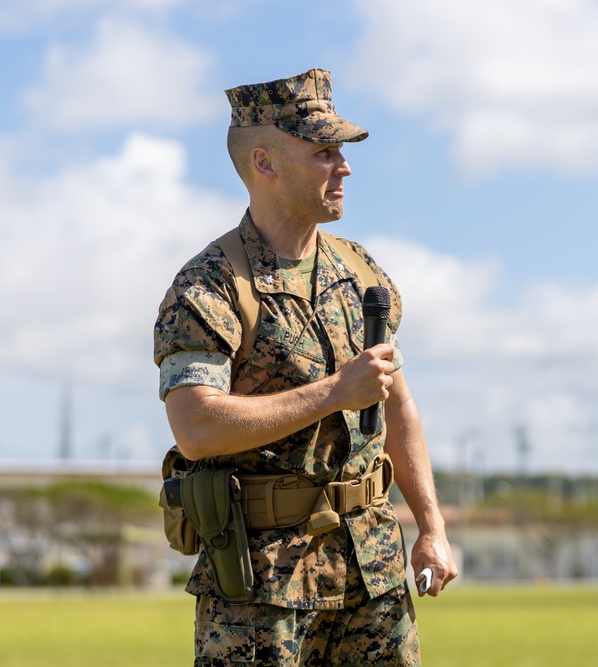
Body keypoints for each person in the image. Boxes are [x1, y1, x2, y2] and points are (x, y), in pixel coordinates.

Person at [153, 68, 457, 666]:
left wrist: (431, 524)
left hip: (373, 570)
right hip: (262, 585)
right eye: (323, 152)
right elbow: (197, 428)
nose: (343, 166)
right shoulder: (209, 287)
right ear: (263, 163)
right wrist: (335, 392)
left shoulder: (360, 271)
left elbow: (396, 400)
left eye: (341, 151)